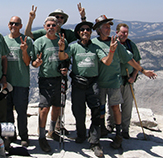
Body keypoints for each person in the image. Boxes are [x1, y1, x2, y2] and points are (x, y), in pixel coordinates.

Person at [91, 15, 157, 149]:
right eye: (105, 27)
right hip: (100, 81)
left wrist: (143, 71)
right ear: (98, 29)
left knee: (115, 107)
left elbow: (129, 60)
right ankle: (102, 129)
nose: (108, 29)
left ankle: (119, 134)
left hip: (114, 81)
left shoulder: (115, 42)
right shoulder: (95, 43)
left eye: (109, 26)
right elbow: (105, 61)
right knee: (101, 109)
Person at [58, 21, 120, 157]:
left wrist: (112, 51)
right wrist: (61, 49)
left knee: (96, 112)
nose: (85, 31)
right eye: (82, 30)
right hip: (78, 84)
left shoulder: (96, 47)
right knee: (78, 111)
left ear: (91, 32)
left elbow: (107, 61)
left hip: (93, 84)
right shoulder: (74, 47)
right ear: (79, 33)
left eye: (87, 30)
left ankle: (95, 142)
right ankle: (81, 134)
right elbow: (62, 57)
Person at [31, 16, 68, 152]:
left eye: (54, 25)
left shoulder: (62, 41)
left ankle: (52, 131)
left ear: (57, 27)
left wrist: (65, 67)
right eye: (48, 25)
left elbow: (65, 58)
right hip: (45, 79)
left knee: (57, 107)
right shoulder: (39, 42)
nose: (51, 27)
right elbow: (33, 63)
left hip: (59, 78)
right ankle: (42, 136)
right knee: (44, 108)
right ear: (44, 26)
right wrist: (37, 63)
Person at [107, 23, 142, 139]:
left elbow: (137, 62)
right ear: (117, 32)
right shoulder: (112, 43)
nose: (125, 34)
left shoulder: (131, 45)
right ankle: (110, 125)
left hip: (127, 80)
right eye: (122, 32)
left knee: (127, 106)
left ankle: (125, 129)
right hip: (114, 80)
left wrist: (134, 76)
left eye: (126, 32)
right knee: (113, 105)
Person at [4, 16, 33, 147]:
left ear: (21, 26)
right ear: (8, 25)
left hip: (21, 82)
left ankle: (24, 136)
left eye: (16, 24)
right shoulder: (3, 40)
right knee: (8, 111)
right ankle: (11, 135)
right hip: (6, 82)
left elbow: (27, 62)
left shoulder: (27, 41)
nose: (13, 26)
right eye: (11, 23)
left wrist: (24, 51)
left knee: (22, 112)